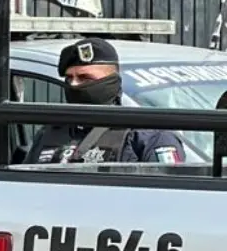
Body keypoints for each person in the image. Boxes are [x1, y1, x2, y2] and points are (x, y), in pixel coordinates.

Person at [26, 37, 185, 164]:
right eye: (69, 78)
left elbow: (168, 197)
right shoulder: (49, 132)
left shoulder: (148, 137)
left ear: (111, 82)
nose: (74, 85)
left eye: (85, 78)